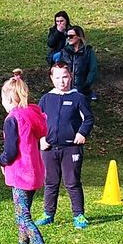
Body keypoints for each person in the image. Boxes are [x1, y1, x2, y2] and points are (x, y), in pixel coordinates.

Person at [0, 71, 59, 244]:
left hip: (21, 175)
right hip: (34, 172)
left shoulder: (12, 119)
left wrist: (1, 160)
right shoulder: (31, 113)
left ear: (9, 99)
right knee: (22, 216)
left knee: (24, 218)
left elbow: (11, 151)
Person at [36, 59, 93, 229]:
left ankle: (78, 215)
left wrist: (82, 132)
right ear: (51, 78)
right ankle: (48, 213)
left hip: (71, 148)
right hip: (49, 149)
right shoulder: (46, 99)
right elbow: (37, 121)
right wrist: (41, 139)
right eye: (58, 77)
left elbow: (89, 118)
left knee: (72, 182)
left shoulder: (78, 98)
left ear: (71, 77)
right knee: (51, 182)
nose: (62, 81)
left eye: (65, 77)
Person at [56, 24, 100, 97]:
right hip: (67, 89)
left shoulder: (88, 51)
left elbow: (93, 70)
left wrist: (86, 84)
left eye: (71, 36)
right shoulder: (64, 51)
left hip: (83, 90)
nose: (68, 38)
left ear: (79, 37)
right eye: (67, 36)